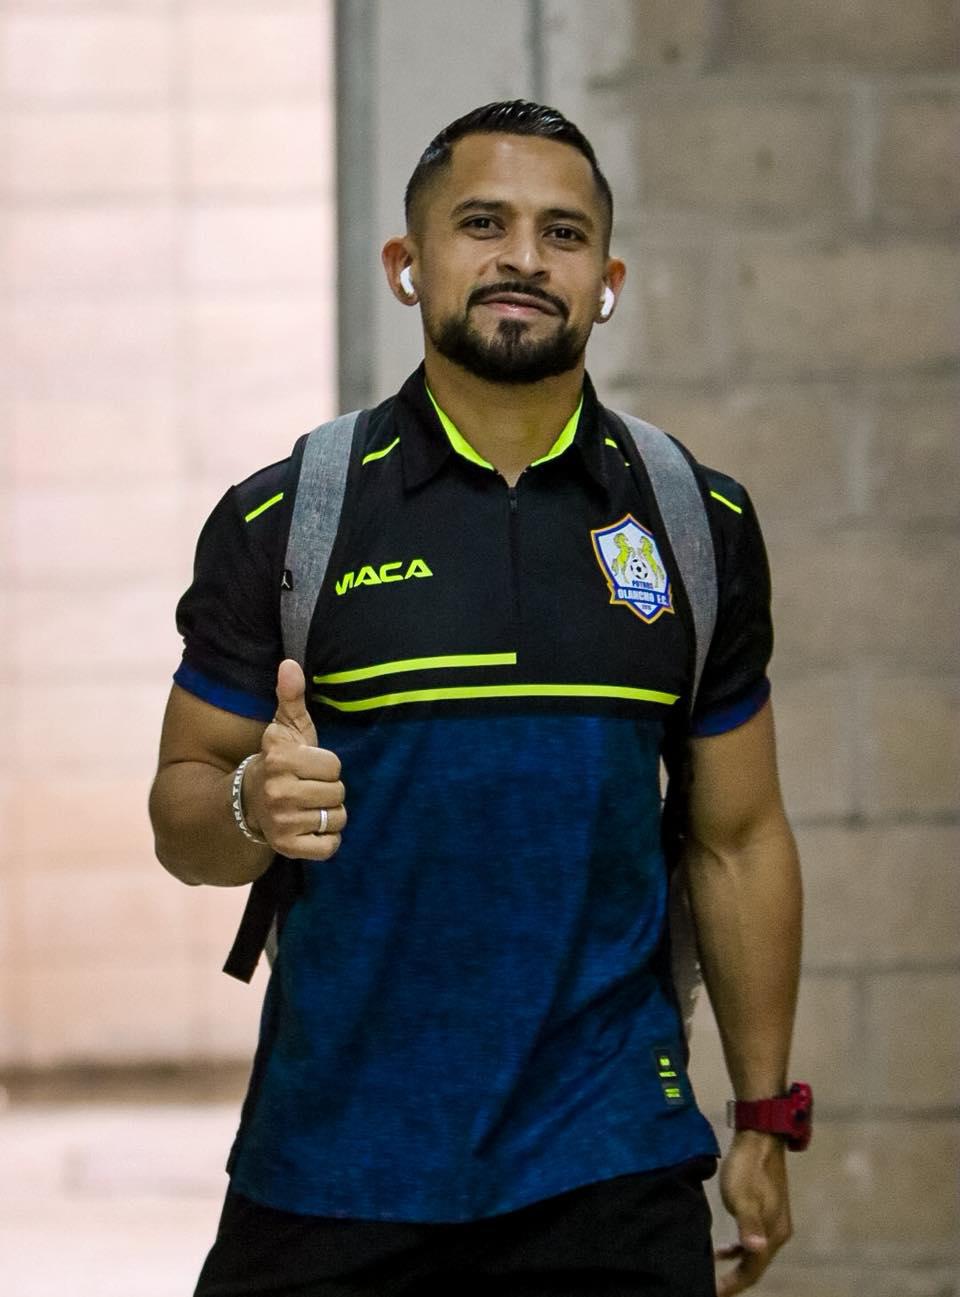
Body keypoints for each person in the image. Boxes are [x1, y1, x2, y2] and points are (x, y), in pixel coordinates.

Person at [150, 100, 804, 1297]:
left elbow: (741, 835)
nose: (524, 258)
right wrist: (251, 804)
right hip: (334, 1159)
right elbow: (181, 818)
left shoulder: (694, 522)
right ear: (408, 263)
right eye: (483, 223)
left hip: (609, 1159)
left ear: (607, 282)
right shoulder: (286, 518)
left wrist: (766, 1113)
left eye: (563, 234)